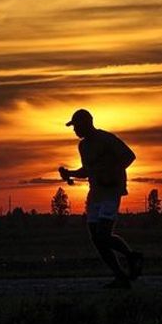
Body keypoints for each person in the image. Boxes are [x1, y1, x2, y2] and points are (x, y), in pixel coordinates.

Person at [58, 108, 144, 289]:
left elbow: (129, 157)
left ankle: (131, 257)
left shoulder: (106, 139)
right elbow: (88, 170)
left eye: (76, 126)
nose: (74, 130)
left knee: (103, 235)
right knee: (96, 239)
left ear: (86, 123)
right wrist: (71, 173)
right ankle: (121, 275)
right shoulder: (83, 146)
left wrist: (111, 172)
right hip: (95, 193)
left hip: (111, 192)